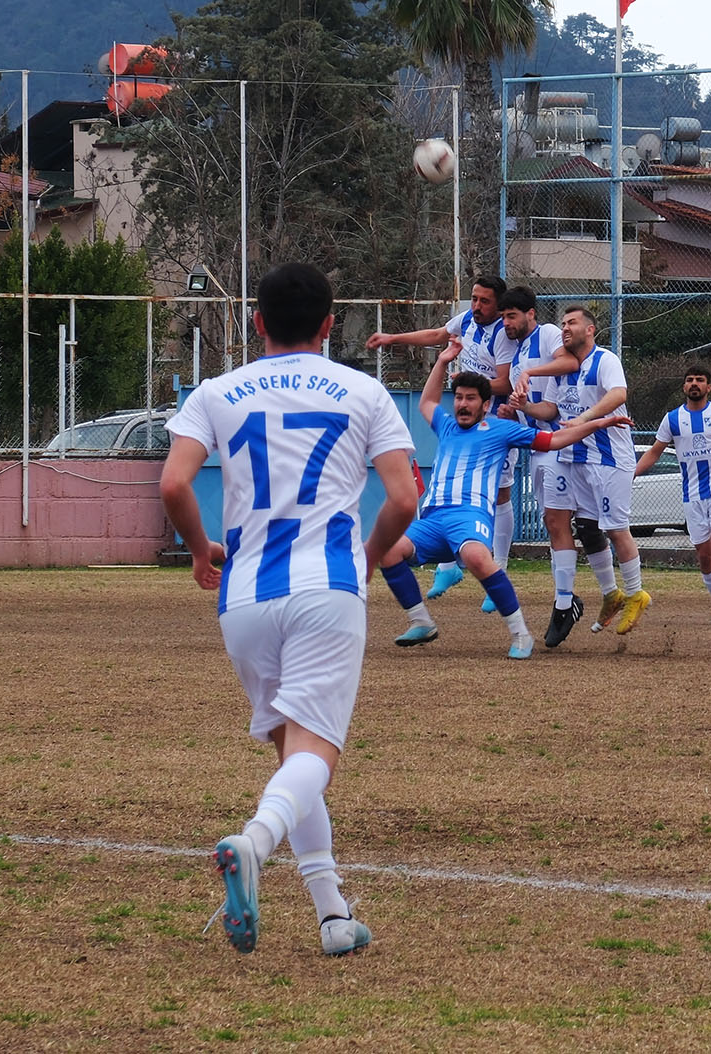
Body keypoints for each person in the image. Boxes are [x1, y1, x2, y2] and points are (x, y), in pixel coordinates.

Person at [160, 262, 419, 958]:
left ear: (257, 322)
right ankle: (253, 841)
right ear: (332, 326)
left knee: (290, 753)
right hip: (324, 584)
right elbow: (403, 499)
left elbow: (174, 483)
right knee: (316, 754)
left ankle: (333, 917)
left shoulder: (217, 392)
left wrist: (197, 550)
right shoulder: (363, 391)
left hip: (243, 593)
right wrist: (367, 557)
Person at [376, 338, 630, 659]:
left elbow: (553, 440)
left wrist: (599, 422)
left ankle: (521, 634)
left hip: (470, 516)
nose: (462, 404)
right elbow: (427, 403)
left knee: (478, 559)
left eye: (470, 399)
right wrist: (442, 362)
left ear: (485, 405)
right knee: (388, 551)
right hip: (432, 520)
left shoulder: (499, 430)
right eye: (458, 398)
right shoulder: (447, 427)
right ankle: (421, 621)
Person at [512, 306, 650, 645]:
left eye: (571, 323)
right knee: (577, 526)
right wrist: (524, 407)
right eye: (561, 323)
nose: (564, 328)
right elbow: (553, 411)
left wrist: (584, 419)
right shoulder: (564, 372)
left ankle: (636, 594)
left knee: (616, 529)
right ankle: (605, 595)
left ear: (590, 329)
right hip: (573, 458)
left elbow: (619, 394)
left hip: (608, 459)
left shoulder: (606, 360)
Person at [366, 275, 508, 599]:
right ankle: (448, 566)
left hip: (495, 420)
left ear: (499, 304)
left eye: (484, 301)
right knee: (450, 480)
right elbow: (436, 334)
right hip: (467, 413)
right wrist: (392, 338)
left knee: (500, 493)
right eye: (474, 298)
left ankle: (497, 566)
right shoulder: (468, 320)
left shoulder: (503, 334)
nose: (476, 306)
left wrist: (472, 383)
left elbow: (506, 382)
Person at [635, 365, 711, 624]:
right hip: (692, 495)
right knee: (704, 555)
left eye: (700, 380)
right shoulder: (673, 419)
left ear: (709, 387)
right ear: (684, 387)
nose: (694, 384)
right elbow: (655, 451)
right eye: (690, 380)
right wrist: (632, 472)